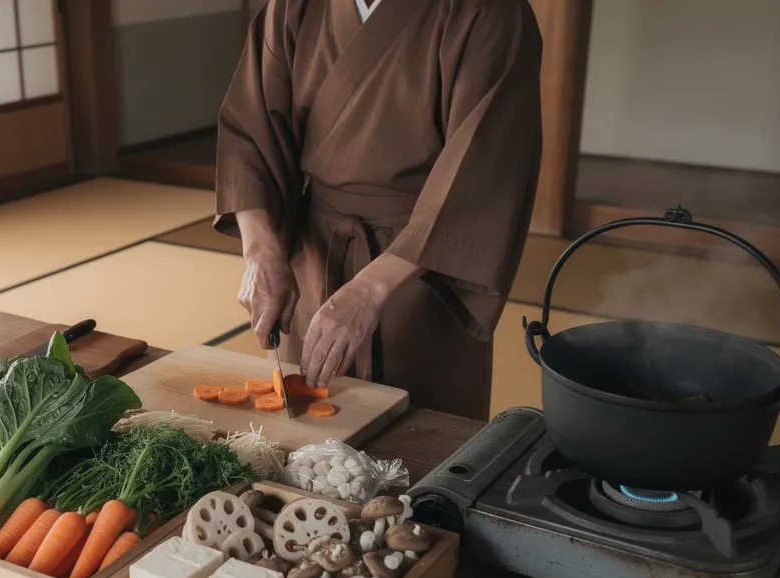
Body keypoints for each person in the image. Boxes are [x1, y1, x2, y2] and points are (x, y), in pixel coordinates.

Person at [216, 0, 543, 420]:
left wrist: (371, 289)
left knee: (422, 452)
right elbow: (250, 133)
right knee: (308, 454)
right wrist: (260, 252)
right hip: (314, 264)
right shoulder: (294, 7)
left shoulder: (489, 11)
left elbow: (485, 168)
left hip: (424, 273)